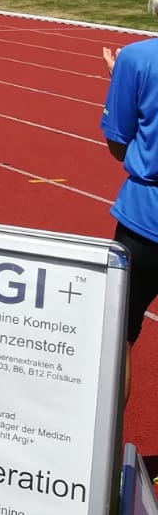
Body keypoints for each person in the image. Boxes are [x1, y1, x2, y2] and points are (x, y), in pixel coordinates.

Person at [100, 40, 158, 397]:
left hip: (145, 220)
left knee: (119, 337)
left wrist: (127, 81)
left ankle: (111, 431)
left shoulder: (137, 58)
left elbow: (118, 145)